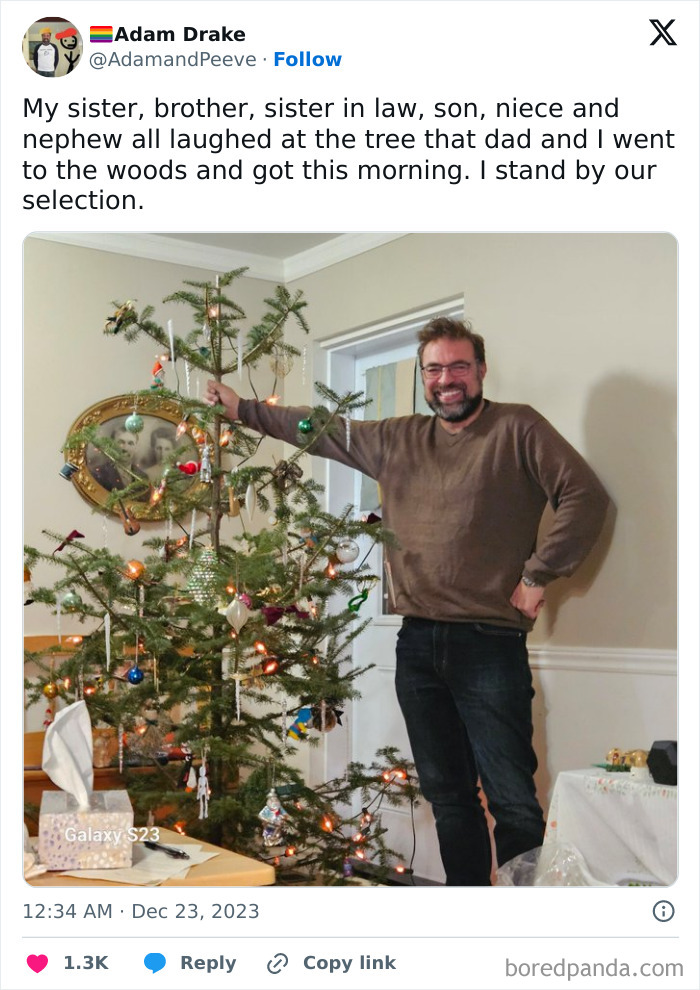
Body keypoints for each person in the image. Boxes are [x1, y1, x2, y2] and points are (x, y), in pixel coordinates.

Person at [205, 317, 610, 885]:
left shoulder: (517, 427)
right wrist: (243, 409)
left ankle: (525, 930)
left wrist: (539, 575)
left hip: (490, 644)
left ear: (481, 370)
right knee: (449, 799)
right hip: (417, 643)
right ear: (423, 376)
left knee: (513, 801)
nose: (447, 379)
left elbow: (585, 497)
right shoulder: (396, 439)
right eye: (435, 369)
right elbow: (318, 427)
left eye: (459, 366)